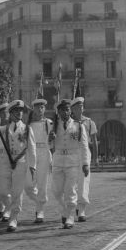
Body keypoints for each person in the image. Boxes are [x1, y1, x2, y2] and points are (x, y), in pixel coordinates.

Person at [50, 99, 90, 229]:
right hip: (58, 160)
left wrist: (85, 163)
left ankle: (70, 216)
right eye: (62, 110)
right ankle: (65, 210)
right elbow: (49, 146)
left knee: (70, 190)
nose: (65, 112)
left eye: (67, 109)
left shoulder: (78, 126)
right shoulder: (53, 126)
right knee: (56, 191)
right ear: (58, 112)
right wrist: (50, 138)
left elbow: (84, 146)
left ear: (70, 111)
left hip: (73, 162)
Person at [0, 100, 36, 232]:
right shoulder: (4, 129)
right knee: (2, 191)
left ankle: (14, 217)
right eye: (16, 111)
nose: (20, 113)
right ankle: (9, 206)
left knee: (17, 191)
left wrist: (33, 166)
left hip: (20, 162)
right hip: (5, 162)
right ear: (11, 113)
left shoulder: (27, 128)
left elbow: (32, 148)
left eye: (21, 111)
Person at [24, 98, 53, 223]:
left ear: (44, 109)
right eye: (37, 107)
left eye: (42, 107)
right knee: (28, 186)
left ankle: (40, 210)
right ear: (33, 109)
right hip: (31, 153)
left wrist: (52, 139)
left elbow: (53, 143)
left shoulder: (49, 123)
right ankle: (41, 200)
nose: (39, 109)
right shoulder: (28, 125)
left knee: (42, 183)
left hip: (44, 153)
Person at [69, 97, 96, 222]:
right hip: (71, 153)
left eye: (82, 106)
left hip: (85, 153)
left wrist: (95, 158)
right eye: (77, 107)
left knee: (84, 181)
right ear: (72, 109)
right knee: (71, 181)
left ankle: (82, 210)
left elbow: (94, 141)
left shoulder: (89, 122)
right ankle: (73, 204)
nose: (81, 109)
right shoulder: (68, 122)